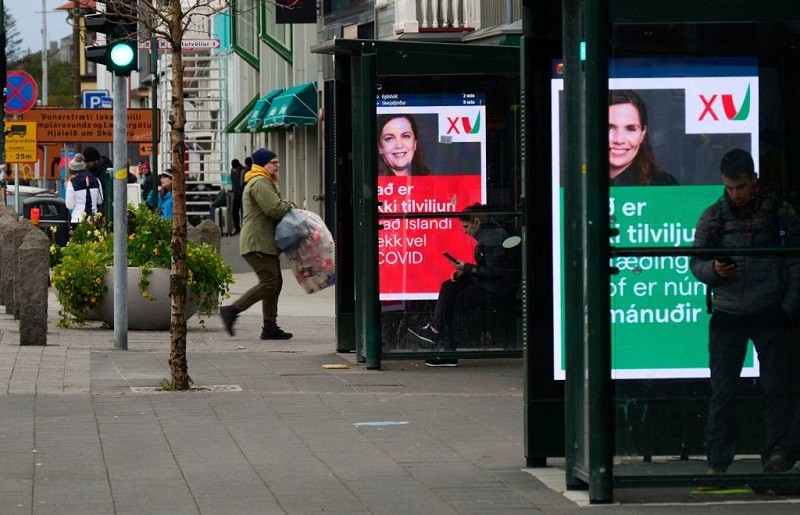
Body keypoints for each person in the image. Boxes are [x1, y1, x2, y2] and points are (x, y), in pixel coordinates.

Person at [690, 148, 800, 482]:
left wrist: (788, 309)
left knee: (777, 388)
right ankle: (718, 461)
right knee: (723, 391)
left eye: (741, 187)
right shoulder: (714, 216)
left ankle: (777, 457)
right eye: (730, 187)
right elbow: (695, 263)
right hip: (728, 311)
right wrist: (715, 271)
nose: (736, 194)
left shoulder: (781, 214)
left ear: (753, 179)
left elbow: (796, 264)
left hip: (770, 311)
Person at [408, 203, 520, 366]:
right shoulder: (488, 234)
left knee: (454, 301)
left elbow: (496, 271)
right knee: (449, 286)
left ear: (476, 222)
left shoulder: (492, 237)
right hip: (488, 284)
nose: (464, 231)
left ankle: (442, 345)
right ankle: (435, 332)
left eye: (466, 226)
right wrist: (465, 271)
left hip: (495, 290)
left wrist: (467, 268)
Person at [220, 148, 294, 340]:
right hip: (257, 241)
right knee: (270, 282)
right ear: (263, 164)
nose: (278, 166)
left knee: (274, 282)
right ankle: (232, 311)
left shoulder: (263, 181)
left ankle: (270, 326)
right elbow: (274, 209)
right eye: (274, 162)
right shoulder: (260, 182)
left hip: (264, 241)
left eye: (278, 162)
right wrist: (291, 206)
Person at [609, 90, 679, 186]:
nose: (619, 140)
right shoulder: (583, 184)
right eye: (609, 128)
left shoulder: (663, 185)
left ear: (643, 133)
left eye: (630, 129)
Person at [65, 153, 103, 225]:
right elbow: (100, 201)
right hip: (94, 219)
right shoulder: (96, 180)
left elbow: (69, 205)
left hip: (77, 219)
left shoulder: (72, 183)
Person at [81, 146, 111, 213]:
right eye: (84, 162)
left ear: (96, 160)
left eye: (88, 162)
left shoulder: (107, 171)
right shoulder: (88, 171)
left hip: (105, 209)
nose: (86, 165)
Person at [230, 159, 245, 234]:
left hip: (242, 194)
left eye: (236, 168)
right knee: (234, 211)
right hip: (236, 194)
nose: (235, 169)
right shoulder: (233, 171)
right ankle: (237, 228)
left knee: (243, 212)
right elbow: (232, 180)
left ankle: (243, 228)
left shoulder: (243, 171)